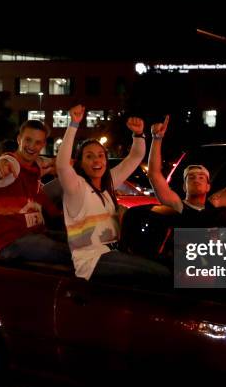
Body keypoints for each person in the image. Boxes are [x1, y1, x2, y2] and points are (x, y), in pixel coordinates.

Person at [56, 104, 170, 283]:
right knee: (161, 275)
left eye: (101, 155)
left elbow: (135, 157)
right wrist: (73, 125)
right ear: (80, 163)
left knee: (168, 265)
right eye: (89, 156)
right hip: (92, 261)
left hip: (114, 254)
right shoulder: (76, 188)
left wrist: (138, 135)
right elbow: (62, 165)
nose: (96, 160)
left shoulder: (107, 184)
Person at [148, 115, 226, 221]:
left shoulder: (215, 203)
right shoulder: (177, 205)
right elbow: (154, 175)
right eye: (191, 177)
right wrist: (157, 139)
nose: (196, 180)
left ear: (208, 186)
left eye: (201, 177)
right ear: (184, 186)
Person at [0, 119, 70, 263]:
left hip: (36, 233)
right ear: (19, 139)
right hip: (13, 242)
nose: (32, 146)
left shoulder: (33, 168)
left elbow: (45, 162)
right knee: (73, 255)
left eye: (38, 142)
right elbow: (0, 168)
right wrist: (1, 167)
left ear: (43, 144)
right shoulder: (11, 163)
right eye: (28, 140)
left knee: (79, 242)